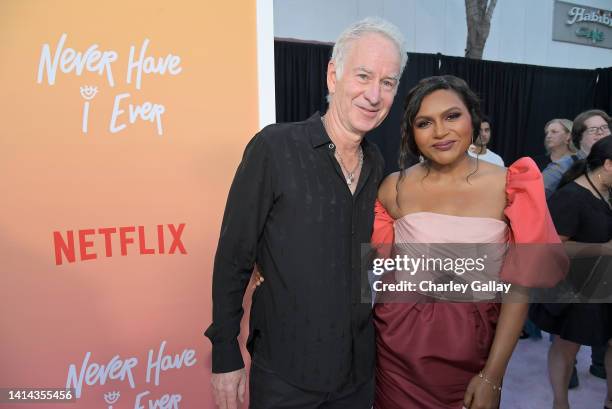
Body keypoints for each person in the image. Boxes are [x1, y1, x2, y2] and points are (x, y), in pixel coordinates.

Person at [204, 17, 407, 409]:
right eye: (363, 75)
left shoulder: (378, 164)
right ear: (334, 76)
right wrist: (225, 353)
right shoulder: (274, 148)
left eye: (388, 82)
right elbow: (233, 256)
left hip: (358, 375)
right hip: (286, 375)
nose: (374, 94)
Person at [371, 75, 566, 409]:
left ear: (473, 118)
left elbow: (519, 289)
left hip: (472, 347)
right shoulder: (393, 187)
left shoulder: (512, 185)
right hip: (395, 347)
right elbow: (381, 266)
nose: (440, 131)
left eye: (452, 116)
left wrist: (493, 375)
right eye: (424, 122)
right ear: (411, 133)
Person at [530, 136, 612, 409]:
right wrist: (602, 248)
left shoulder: (606, 190)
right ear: (609, 165)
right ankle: (560, 404)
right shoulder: (571, 197)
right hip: (578, 286)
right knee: (568, 347)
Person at [542, 110, 611, 197]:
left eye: (605, 127)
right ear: (579, 138)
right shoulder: (560, 168)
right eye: (592, 130)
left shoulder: (608, 163)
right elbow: (533, 198)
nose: (601, 132)